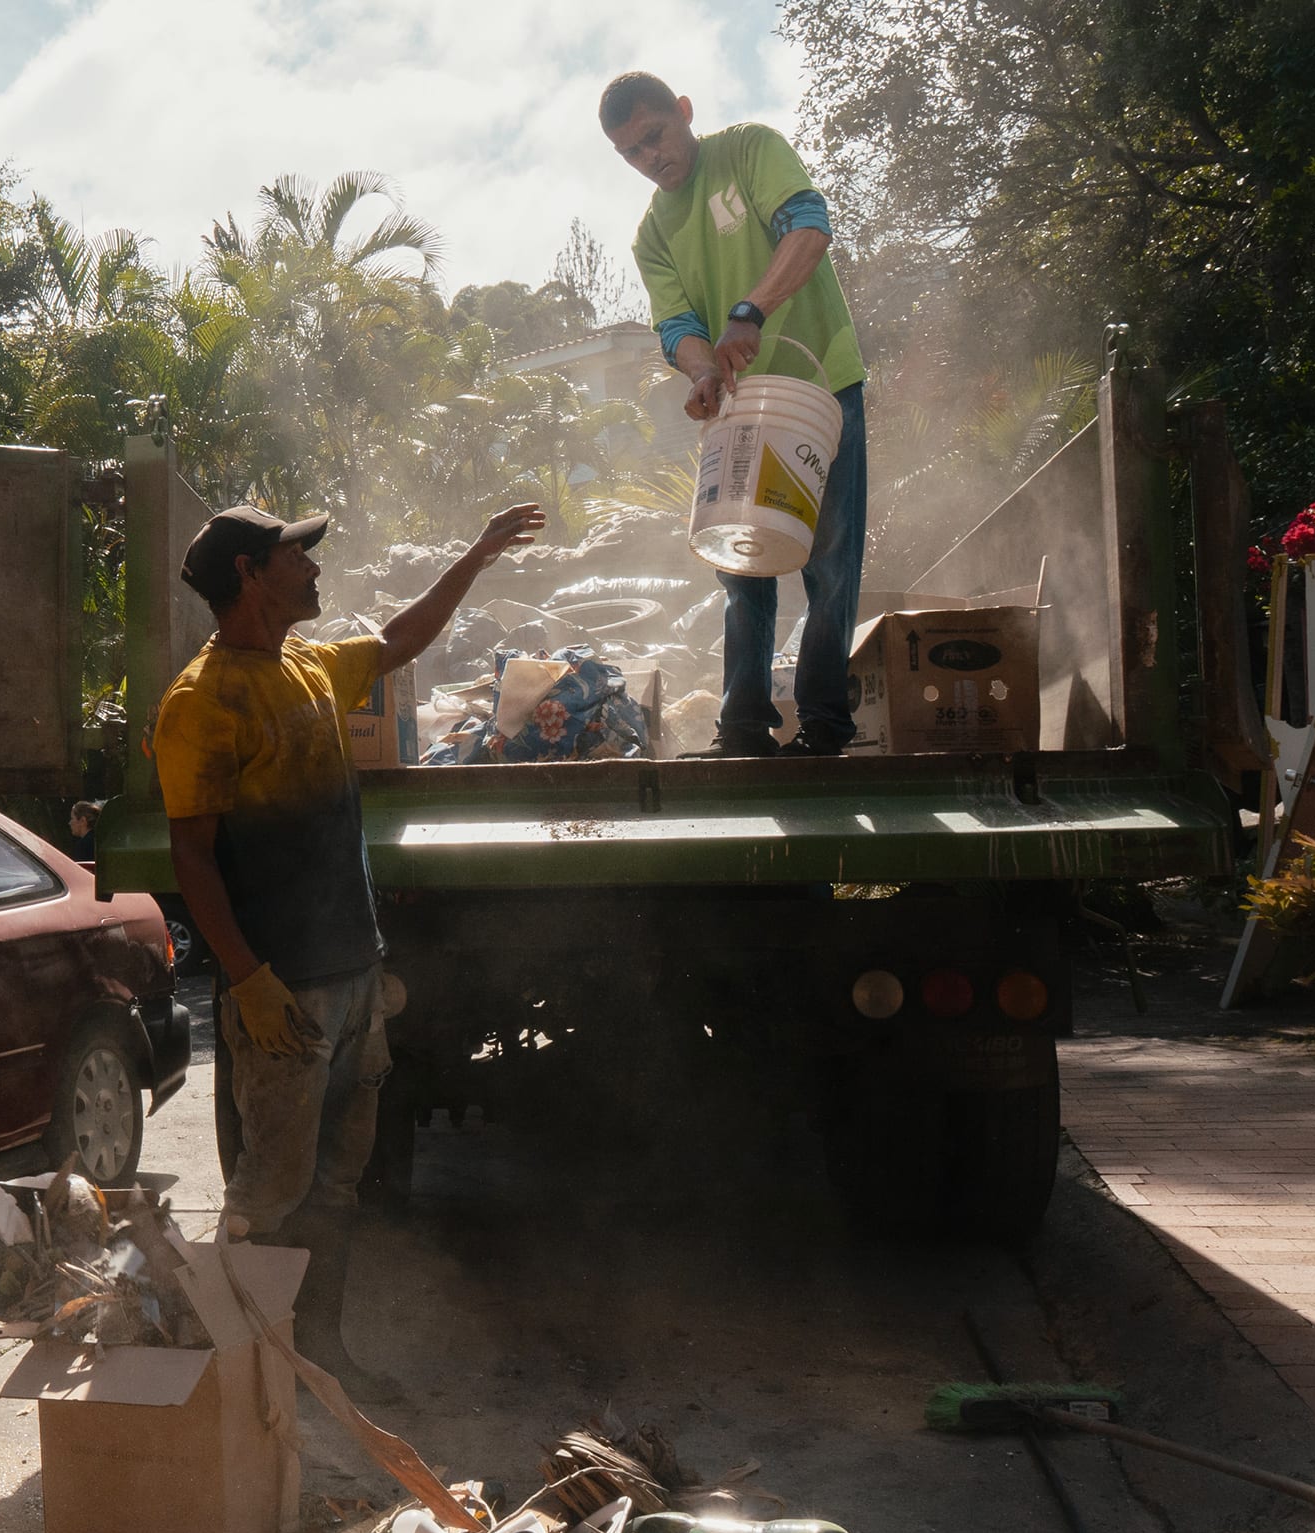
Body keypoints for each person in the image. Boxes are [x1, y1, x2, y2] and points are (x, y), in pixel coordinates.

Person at [155, 500, 545, 1396]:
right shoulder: (202, 701)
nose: (315, 567)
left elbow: (401, 638)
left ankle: (321, 1355)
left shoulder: (307, 664)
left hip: (354, 972)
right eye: (296, 556)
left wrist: (477, 555)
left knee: (336, 1185)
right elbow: (192, 857)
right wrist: (249, 980)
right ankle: (244, 1372)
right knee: (269, 1194)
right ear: (250, 573)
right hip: (284, 992)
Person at [601, 71, 869, 757]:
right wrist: (701, 371)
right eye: (631, 153)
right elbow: (678, 326)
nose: (650, 157)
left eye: (655, 136)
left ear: (685, 111)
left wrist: (751, 311)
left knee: (830, 560)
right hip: (742, 407)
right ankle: (744, 729)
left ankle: (825, 727)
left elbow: (807, 227)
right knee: (739, 560)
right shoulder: (653, 234)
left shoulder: (749, 150)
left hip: (821, 387)